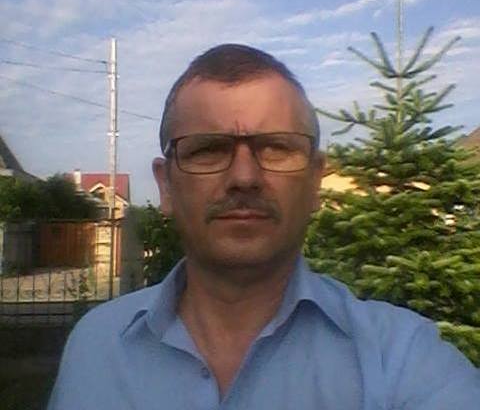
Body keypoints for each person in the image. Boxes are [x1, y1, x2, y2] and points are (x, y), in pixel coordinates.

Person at [48, 44, 479, 409]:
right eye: (208, 149)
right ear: (166, 186)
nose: (244, 177)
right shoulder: (95, 348)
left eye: (276, 147)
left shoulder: (404, 360)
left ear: (315, 181)